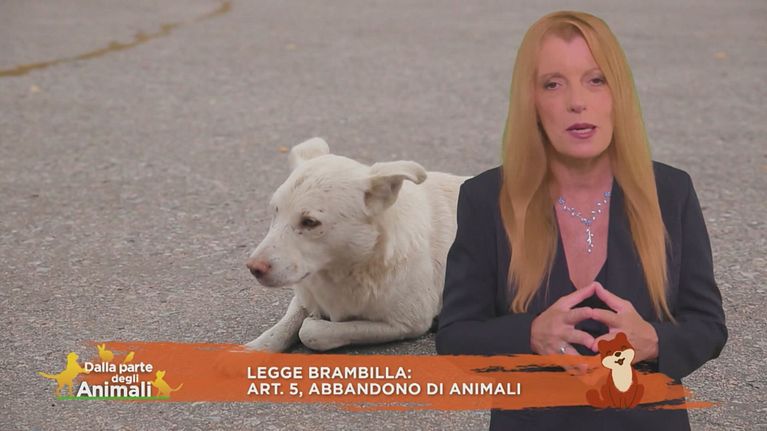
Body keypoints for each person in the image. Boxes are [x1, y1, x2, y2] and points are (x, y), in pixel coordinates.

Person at [435, 10, 727, 430]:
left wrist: (654, 341)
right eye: (553, 84)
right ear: (532, 103)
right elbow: (455, 337)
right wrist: (529, 335)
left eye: (596, 80)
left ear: (618, 94)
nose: (577, 101)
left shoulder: (671, 192)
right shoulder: (486, 199)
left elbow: (708, 326)